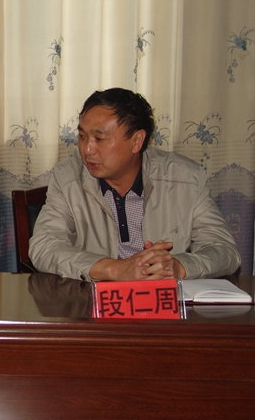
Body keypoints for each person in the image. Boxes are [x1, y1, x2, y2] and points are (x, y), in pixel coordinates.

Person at [28, 88, 240, 281]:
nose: (87, 150)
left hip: (163, 303)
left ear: (137, 141)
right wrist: (114, 269)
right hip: (95, 303)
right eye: (82, 136)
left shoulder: (185, 178)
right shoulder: (67, 177)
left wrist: (178, 266)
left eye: (100, 139)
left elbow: (224, 251)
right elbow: (44, 247)